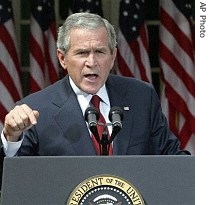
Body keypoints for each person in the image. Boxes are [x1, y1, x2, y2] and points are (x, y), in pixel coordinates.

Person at [0, 12, 190, 157]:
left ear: (113, 56)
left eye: (100, 52)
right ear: (62, 58)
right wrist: (12, 138)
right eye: (82, 53)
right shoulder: (36, 110)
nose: (92, 62)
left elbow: (172, 159)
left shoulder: (141, 96)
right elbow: (18, 178)